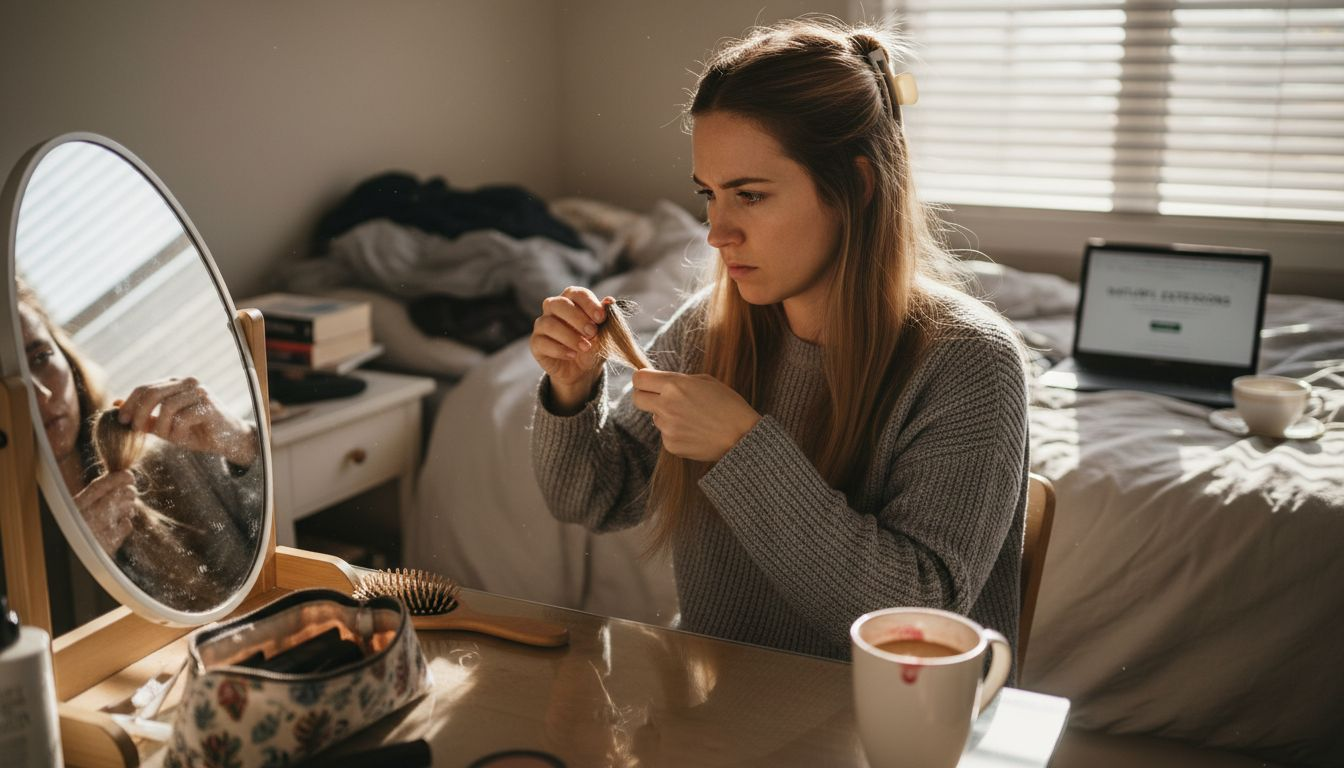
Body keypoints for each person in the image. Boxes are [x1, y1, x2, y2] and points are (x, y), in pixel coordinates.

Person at [528, 18, 1029, 665]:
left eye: (751, 195)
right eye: (709, 195)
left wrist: (743, 445)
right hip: (721, 703)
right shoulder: (710, 330)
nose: (717, 233)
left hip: (893, 723)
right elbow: (594, 500)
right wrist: (573, 390)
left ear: (857, 187)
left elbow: (915, 617)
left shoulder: (969, 363)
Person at [16, 279, 263, 615]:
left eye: (41, 357)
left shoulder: (171, 455)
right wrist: (78, 561)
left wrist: (242, 443)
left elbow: (272, 556)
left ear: (68, 360)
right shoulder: (15, 553)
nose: (41, 396)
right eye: (8, 382)